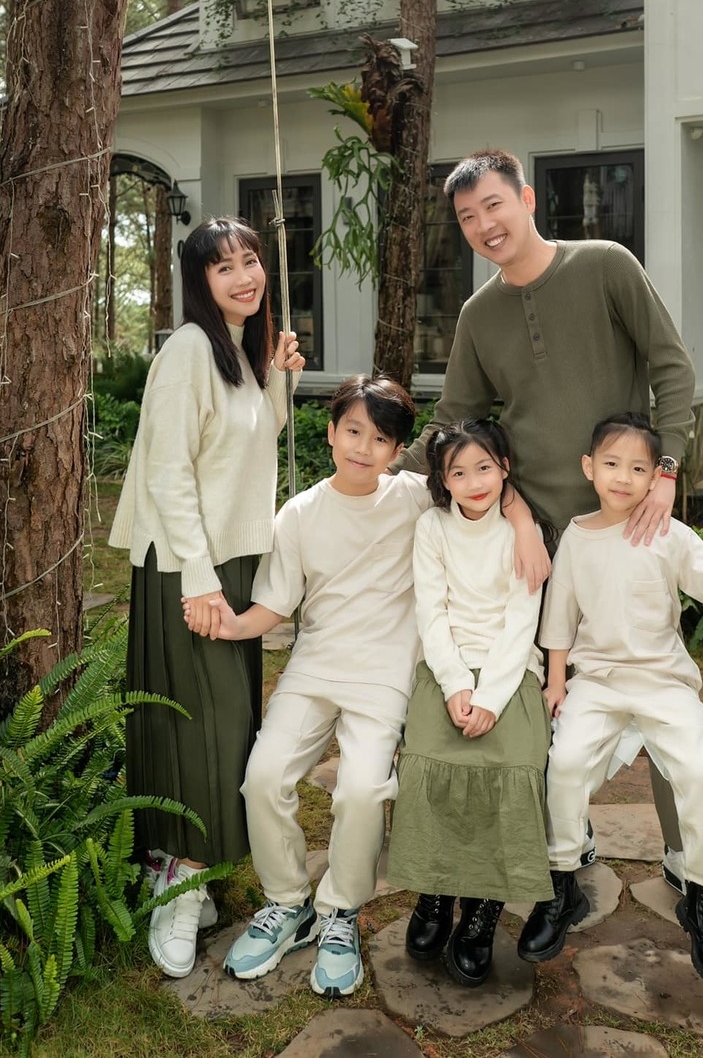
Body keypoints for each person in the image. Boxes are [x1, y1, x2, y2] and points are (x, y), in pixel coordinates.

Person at [395, 149, 703, 934]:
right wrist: (382, 474)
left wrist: (665, 470)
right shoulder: (477, 316)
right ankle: (569, 842)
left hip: (633, 521)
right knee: (554, 695)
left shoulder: (605, 265)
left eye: (494, 204)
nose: (484, 225)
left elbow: (672, 366)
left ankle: (690, 861)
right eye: (467, 217)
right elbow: (456, 425)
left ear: (525, 198)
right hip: (544, 539)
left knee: (658, 685)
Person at [188, 377, 548, 999]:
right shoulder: (299, 513)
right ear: (330, 433)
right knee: (263, 777)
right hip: (314, 666)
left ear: (397, 451)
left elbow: (478, 476)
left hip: (384, 674)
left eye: (380, 439)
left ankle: (340, 914)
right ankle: (287, 903)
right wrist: (231, 625)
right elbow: (276, 602)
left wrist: (522, 521)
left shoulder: (413, 497)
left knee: (360, 790)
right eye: (352, 431)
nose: (363, 447)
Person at [523, 412, 703, 989]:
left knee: (696, 771)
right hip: (597, 681)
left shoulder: (669, 534)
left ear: (656, 478)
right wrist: (556, 681)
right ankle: (560, 887)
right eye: (612, 464)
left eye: (638, 468)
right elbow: (559, 620)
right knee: (564, 764)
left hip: (663, 682)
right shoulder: (576, 536)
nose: (623, 477)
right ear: (589, 468)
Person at [109, 217, 303, 979]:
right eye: (224, 267)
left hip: (230, 559)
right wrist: (197, 577)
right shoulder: (189, 349)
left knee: (221, 726)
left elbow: (253, 441)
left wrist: (277, 376)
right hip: (190, 566)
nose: (244, 276)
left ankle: (180, 863)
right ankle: (181, 884)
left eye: (250, 260)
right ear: (200, 281)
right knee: (203, 726)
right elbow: (168, 470)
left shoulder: (238, 349)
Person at [388, 420, 553, 988]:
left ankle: (484, 906)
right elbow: (431, 612)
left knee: (511, 769)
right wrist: (457, 684)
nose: (474, 482)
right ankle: (435, 892)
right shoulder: (432, 528)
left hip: (511, 671)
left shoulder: (522, 533)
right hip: (446, 666)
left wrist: (490, 697)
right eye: (458, 472)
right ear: (442, 479)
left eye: (484, 467)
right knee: (428, 763)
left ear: (505, 467)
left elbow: (521, 621)